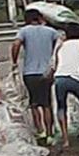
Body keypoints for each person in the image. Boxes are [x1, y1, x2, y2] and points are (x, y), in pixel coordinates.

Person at [11, 9, 59, 144]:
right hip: (47, 72)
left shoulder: (24, 31)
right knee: (47, 104)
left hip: (30, 73)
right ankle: (50, 134)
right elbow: (59, 45)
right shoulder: (50, 31)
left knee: (34, 104)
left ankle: (40, 131)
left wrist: (14, 61)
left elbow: (15, 44)